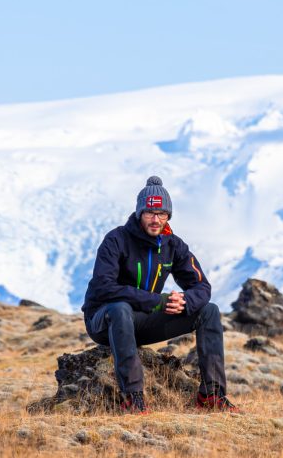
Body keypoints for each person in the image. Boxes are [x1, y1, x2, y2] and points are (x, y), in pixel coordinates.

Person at [81, 176, 239, 414]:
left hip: (142, 322)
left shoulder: (173, 245)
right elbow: (104, 288)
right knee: (120, 308)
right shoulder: (116, 240)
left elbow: (202, 287)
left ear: (168, 216)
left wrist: (185, 301)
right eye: (150, 213)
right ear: (139, 213)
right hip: (104, 322)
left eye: (162, 214)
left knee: (209, 311)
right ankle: (132, 397)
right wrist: (157, 301)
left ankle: (211, 394)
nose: (156, 220)